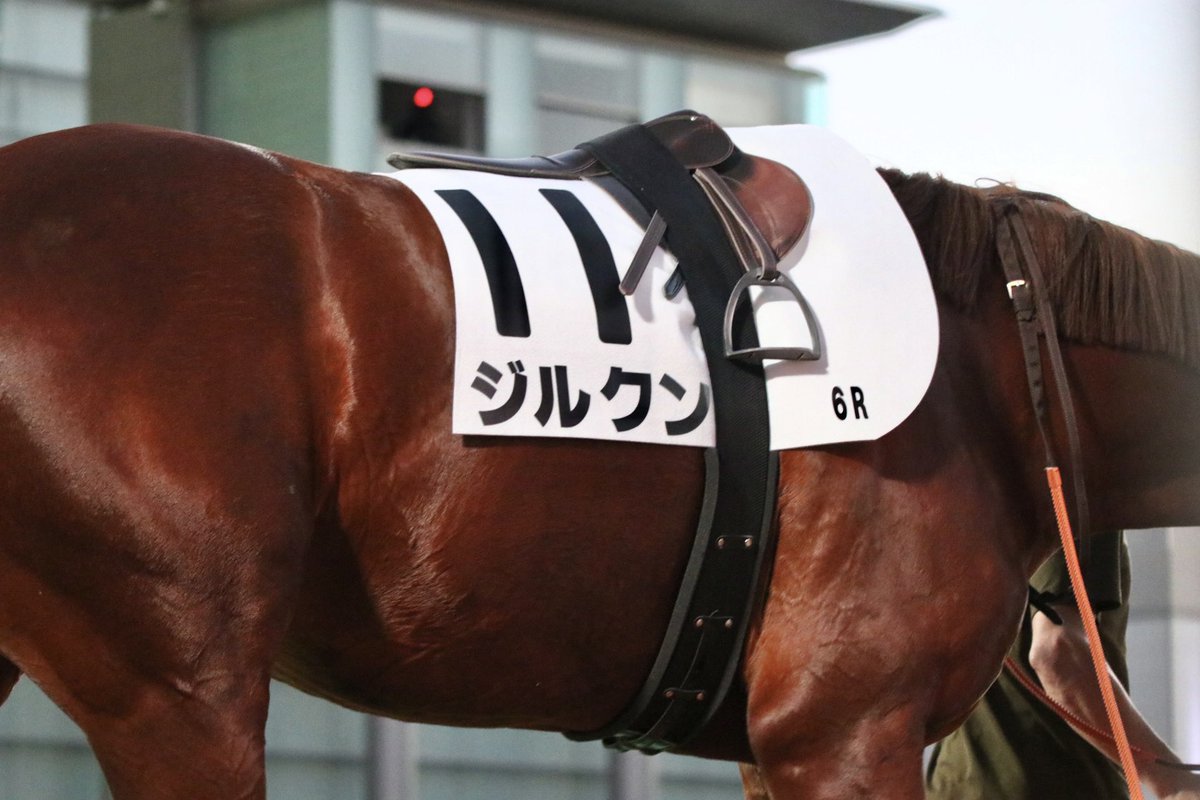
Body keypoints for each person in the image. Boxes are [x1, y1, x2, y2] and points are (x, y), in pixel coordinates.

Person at [926, 531, 1200, 799]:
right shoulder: (1079, 496)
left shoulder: (962, 503)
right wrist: (1171, 780)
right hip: (1059, 781)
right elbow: (1057, 654)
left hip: (958, 780)